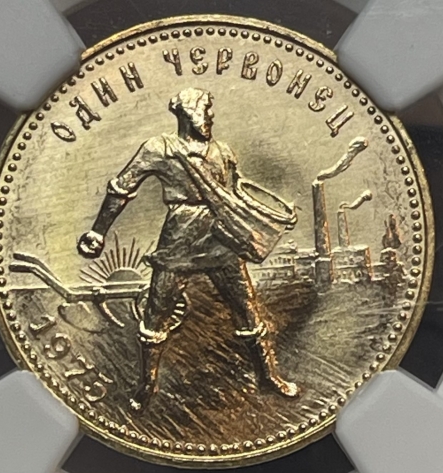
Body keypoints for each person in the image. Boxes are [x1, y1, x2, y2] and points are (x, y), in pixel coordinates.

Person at [78, 88, 299, 412]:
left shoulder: (223, 151)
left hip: (222, 237)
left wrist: (271, 217)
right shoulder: (159, 149)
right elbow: (121, 188)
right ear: (189, 111)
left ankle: (267, 377)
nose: (211, 116)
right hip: (179, 238)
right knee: (156, 312)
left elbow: (237, 194)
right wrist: (98, 231)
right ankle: (147, 385)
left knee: (247, 308)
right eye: (206, 109)